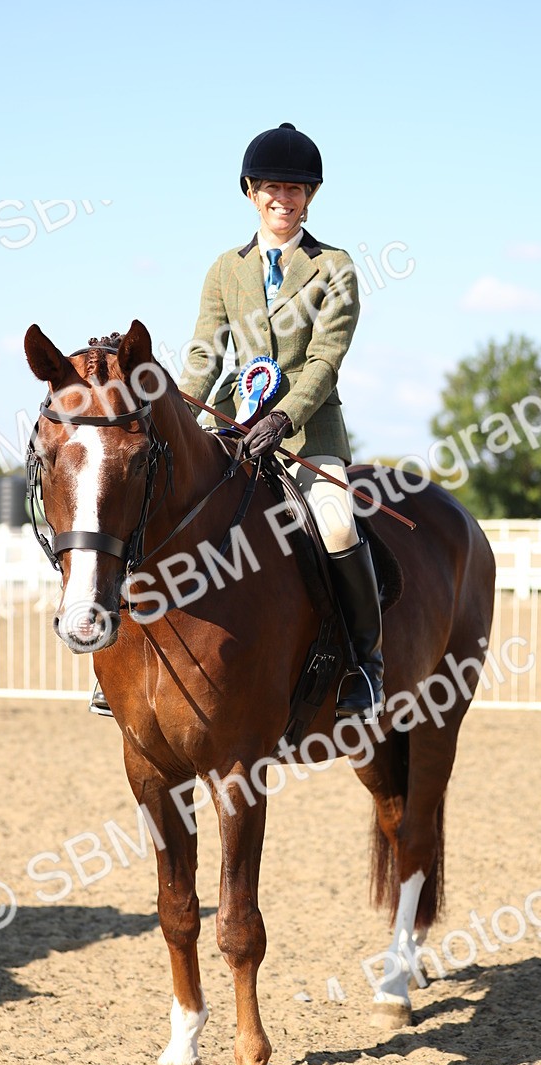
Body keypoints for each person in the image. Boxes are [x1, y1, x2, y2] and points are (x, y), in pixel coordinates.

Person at [178, 122, 384, 722]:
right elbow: (205, 354)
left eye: (296, 190)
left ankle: (367, 666)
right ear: (250, 192)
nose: (283, 199)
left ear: (310, 198)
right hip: (235, 431)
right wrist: (185, 416)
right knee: (163, 509)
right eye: (272, 187)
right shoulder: (225, 269)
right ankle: (130, 654)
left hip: (307, 439)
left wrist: (287, 415)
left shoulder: (334, 267)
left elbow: (325, 359)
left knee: (339, 526)